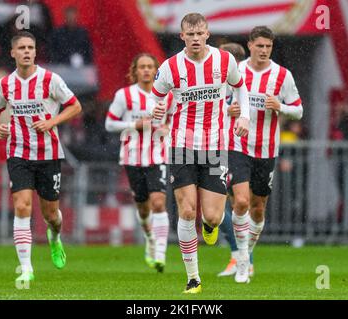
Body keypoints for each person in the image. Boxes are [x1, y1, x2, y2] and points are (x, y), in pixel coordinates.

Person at [151, 13, 250, 293]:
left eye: (200, 34)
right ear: (182, 36)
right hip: (182, 145)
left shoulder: (224, 60)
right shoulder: (171, 67)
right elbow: (155, 97)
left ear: (207, 34)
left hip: (216, 147)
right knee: (186, 210)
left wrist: (243, 117)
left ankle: (210, 226)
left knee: (212, 217)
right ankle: (193, 278)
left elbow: (240, 88)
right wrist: (155, 109)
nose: (195, 39)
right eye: (189, 34)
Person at [0, 31, 82, 284]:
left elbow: (75, 105)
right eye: (22, 48)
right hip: (18, 152)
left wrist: (52, 121)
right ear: (13, 53)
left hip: (49, 155)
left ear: (36, 52)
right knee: (21, 206)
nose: (27, 51)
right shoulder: (5, 84)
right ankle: (26, 267)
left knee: (51, 214)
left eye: (31, 47)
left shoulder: (50, 79)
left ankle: (54, 236)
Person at [226, 26, 303, 284]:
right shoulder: (237, 72)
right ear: (249, 45)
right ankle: (241, 261)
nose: (263, 51)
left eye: (268, 47)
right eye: (259, 46)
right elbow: (221, 101)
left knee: (258, 209)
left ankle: (246, 255)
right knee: (241, 202)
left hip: (267, 149)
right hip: (239, 145)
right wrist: (230, 109)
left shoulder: (283, 75)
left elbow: (299, 110)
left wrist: (280, 106)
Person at [105, 53, 170, 273]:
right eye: (142, 67)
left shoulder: (166, 95)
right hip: (132, 157)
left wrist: (168, 130)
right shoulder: (124, 95)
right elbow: (109, 124)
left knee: (159, 203)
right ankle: (150, 237)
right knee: (143, 208)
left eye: (150, 67)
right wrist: (135, 125)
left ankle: (160, 252)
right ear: (135, 70)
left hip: (158, 156)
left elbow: (174, 121)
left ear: (156, 71)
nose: (146, 71)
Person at [217, 42, 254, 278]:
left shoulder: (244, 83)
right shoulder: (213, 82)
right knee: (215, 209)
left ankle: (244, 259)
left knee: (240, 203)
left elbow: (253, 109)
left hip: (236, 149)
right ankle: (239, 256)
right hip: (210, 147)